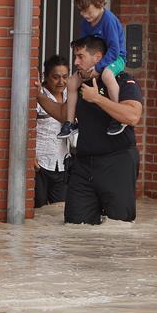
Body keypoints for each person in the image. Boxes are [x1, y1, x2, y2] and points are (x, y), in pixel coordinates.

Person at [63, 35, 144, 225]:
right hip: (84, 164)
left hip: (117, 162)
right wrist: (38, 97)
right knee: (74, 226)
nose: (76, 62)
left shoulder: (122, 81)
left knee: (119, 226)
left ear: (98, 57)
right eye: (75, 57)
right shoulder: (79, 84)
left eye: (81, 57)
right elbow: (64, 113)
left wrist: (97, 98)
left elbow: (132, 116)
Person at [58, 0, 127, 139]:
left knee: (107, 76)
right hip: (94, 60)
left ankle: (118, 116)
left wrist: (99, 68)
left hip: (115, 59)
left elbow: (115, 50)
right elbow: (84, 47)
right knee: (71, 82)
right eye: (81, 11)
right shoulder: (85, 23)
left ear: (100, 4)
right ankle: (70, 122)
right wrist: (85, 67)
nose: (84, 15)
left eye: (88, 11)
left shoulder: (108, 20)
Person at [33, 55, 72, 208]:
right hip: (40, 163)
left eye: (65, 77)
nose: (61, 82)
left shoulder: (71, 96)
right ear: (46, 77)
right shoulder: (38, 96)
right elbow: (27, 127)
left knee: (59, 209)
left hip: (62, 164)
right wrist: (30, 155)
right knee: (38, 208)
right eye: (55, 77)